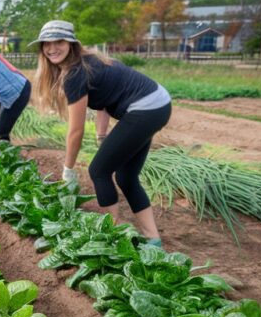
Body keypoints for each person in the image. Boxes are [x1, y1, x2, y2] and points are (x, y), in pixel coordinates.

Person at [31, 20, 172, 246]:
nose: (52, 48)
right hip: (158, 104)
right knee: (126, 177)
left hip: (145, 109)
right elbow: (106, 100)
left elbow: (75, 131)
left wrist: (67, 169)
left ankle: (113, 235)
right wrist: (101, 135)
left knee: (98, 170)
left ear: (70, 44)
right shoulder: (88, 62)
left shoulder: (76, 73)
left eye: (59, 41)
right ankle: (153, 239)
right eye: (46, 43)